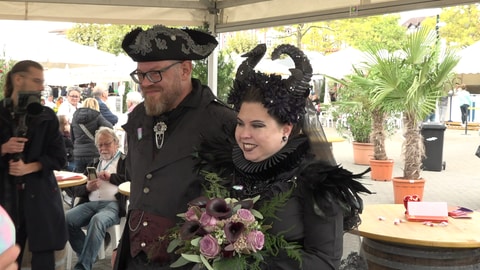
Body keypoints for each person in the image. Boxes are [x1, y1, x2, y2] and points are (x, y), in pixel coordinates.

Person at [197, 44, 371, 269]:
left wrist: (254, 265)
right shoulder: (226, 165)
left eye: (257, 125)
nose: (244, 134)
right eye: (240, 123)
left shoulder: (316, 183)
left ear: (286, 130)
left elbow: (324, 261)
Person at [113, 24, 237, 270]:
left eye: (155, 73)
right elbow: (139, 183)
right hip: (134, 257)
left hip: (189, 261)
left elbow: (235, 197)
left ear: (185, 70)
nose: (145, 83)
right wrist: (123, 245)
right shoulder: (138, 116)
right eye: (140, 74)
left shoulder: (221, 122)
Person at [0, 60, 68, 269]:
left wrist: (30, 167)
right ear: (18, 79)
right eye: (37, 81)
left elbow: (59, 157)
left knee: (44, 259)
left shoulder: (47, 116)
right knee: (8, 256)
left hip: (40, 198)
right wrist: (4, 148)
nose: (41, 87)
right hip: (5, 200)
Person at [66, 127, 128, 270]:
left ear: (116, 143)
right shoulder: (93, 163)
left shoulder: (125, 161)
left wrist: (111, 177)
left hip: (113, 205)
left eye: (107, 144)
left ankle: (83, 266)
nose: (103, 148)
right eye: (100, 145)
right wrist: (88, 188)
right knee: (66, 219)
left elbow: (132, 181)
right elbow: (76, 188)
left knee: (98, 220)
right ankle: (87, 256)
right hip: (91, 204)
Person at [71, 98, 113, 174]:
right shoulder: (97, 116)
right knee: (92, 178)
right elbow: (109, 127)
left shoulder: (74, 118)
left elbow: (72, 136)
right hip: (93, 153)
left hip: (78, 153)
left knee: (80, 179)